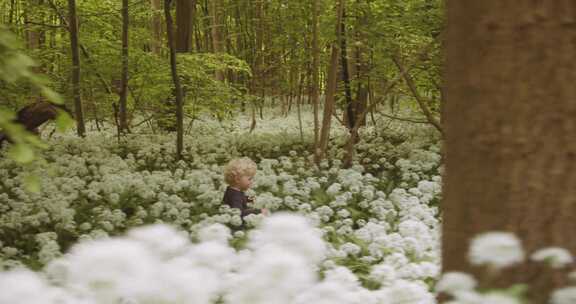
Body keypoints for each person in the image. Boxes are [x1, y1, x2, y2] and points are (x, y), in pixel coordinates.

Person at [222, 157, 269, 228]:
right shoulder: (235, 196)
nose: (251, 181)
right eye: (249, 179)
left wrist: (251, 199)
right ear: (237, 179)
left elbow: (242, 198)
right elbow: (239, 213)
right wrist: (259, 211)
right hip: (238, 224)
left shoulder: (233, 190)